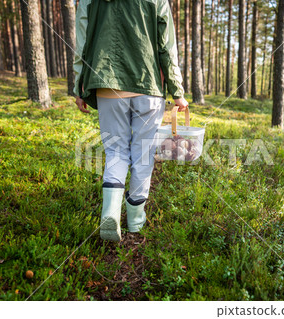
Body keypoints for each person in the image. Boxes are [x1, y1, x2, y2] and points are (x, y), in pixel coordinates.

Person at [73, 0, 188, 242]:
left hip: (106, 82)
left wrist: (79, 85)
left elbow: (82, 43)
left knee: (115, 150)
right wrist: (177, 91)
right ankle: (135, 222)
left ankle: (111, 214)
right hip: (148, 85)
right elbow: (166, 46)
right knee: (143, 153)